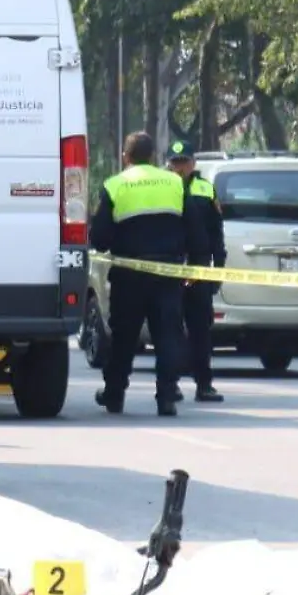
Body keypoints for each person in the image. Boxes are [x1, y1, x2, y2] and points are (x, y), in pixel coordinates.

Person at [90, 132, 205, 417]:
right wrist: (196, 268)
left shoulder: (115, 185)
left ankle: (114, 395)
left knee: (123, 338)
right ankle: (166, 397)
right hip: (168, 275)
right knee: (168, 335)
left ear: (125, 157)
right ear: (153, 156)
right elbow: (196, 232)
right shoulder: (174, 183)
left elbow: (100, 238)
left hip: (129, 276)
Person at [167, 140, 226, 403]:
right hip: (170, 267)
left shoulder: (206, 189)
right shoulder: (163, 188)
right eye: (175, 162)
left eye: (184, 162)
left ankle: (204, 384)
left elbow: (216, 233)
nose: (180, 167)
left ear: (193, 163)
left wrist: (218, 269)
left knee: (201, 329)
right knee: (170, 329)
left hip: (199, 268)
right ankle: (172, 384)